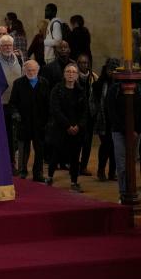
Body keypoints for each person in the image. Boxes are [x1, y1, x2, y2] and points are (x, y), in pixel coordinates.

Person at [46, 62, 88, 191]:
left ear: (77, 76)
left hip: (76, 129)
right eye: (68, 72)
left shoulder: (81, 91)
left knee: (75, 156)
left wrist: (78, 126)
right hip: (61, 128)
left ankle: (74, 182)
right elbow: (55, 109)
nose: (71, 74)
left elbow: (85, 111)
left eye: (73, 72)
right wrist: (68, 125)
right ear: (64, 74)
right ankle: (50, 176)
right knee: (56, 154)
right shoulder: (57, 89)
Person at [9, 60, 51, 181]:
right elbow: (12, 103)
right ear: (24, 71)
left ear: (38, 70)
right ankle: (23, 171)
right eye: (28, 70)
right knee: (23, 149)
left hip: (40, 123)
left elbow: (48, 104)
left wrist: (48, 121)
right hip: (23, 122)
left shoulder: (44, 83)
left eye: (33, 70)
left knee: (40, 150)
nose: (31, 72)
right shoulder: (18, 83)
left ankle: (38, 174)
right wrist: (16, 115)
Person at [0, 35, 24, 172]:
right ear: (0, 47)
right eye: (5, 45)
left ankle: (14, 163)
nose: (8, 48)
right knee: (4, 134)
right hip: (1, 103)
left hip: (16, 104)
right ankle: (4, 162)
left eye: (9, 45)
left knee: (15, 136)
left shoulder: (19, 59)